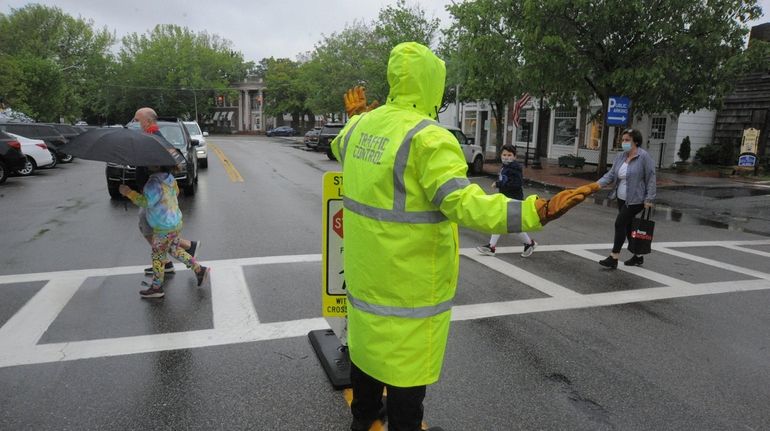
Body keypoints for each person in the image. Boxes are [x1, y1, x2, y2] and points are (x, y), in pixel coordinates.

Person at [331, 42, 600, 431]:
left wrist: (356, 116)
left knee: (366, 354)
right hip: (410, 286)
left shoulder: (361, 127)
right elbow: (465, 204)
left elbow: (341, 146)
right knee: (408, 376)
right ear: (431, 85)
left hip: (365, 278)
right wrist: (533, 212)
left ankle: (363, 418)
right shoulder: (429, 138)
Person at [119, 164, 210, 298]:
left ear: (155, 165)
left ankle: (157, 287)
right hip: (174, 222)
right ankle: (199, 269)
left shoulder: (153, 183)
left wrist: (128, 192)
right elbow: (177, 192)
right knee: (174, 250)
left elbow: (145, 202)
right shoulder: (169, 178)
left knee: (158, 256)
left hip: (163, 226)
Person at [132, 107, 201, 275]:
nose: (135, 122)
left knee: (151, 231)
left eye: (137, 119)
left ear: (147, 121)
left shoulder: (154, 140)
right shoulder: (149, 138)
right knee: (155, 234)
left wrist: (129, 192)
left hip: (152, 197)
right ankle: (188, 257)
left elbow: (165, 167)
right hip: (156, 198)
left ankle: (160, 279)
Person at [596, 128, 656, 269]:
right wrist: (596, 185)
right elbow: (611, 175)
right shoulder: (621, 156)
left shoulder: (644, 157)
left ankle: (614, 257)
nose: (624, 142)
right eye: (623, 140)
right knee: (629, 227)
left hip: (636, 199)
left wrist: (649, 198)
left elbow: (651, 178)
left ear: (636, 141)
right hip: (621, 198)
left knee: (619, 223)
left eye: (627, 140)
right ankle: (638, 256)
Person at [476, 144, 537, 257]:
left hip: (514, 200)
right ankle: (492, 247)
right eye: (504, 154)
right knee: (501, 223)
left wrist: (499, 184)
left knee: (513, 226)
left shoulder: (514, 168)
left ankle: (529, 244)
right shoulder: (506, 167)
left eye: (509, 155)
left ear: (514, 157)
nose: (506, 157)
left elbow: (516, 184)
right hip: (506, 199)